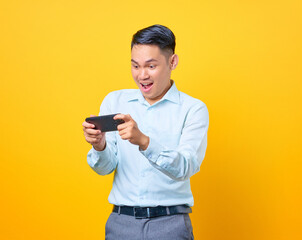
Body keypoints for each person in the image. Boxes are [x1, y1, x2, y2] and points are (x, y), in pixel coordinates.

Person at [82, 24, 209, 240]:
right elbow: (105, 168)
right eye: (135, 66)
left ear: (172, 62)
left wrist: (144, 142)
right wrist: (99, 145)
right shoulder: (115, 101)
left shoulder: (193, 109)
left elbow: (185, 167)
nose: (142, 75)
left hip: (170, 224)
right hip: (120, 223)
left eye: (151, 66)